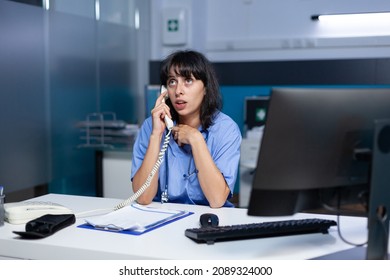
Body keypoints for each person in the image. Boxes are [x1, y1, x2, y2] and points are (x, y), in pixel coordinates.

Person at [131, 50, 242, 208]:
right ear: (165, 91)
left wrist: (196, 140)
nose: (178, 91)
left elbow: (217, 200)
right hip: (161, 218)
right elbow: (143, 198)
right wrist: (156, 135)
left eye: (188, 80)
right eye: (172, 82)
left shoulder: (225, 129)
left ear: (205, 88)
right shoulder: (151, 126)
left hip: (207, 220)